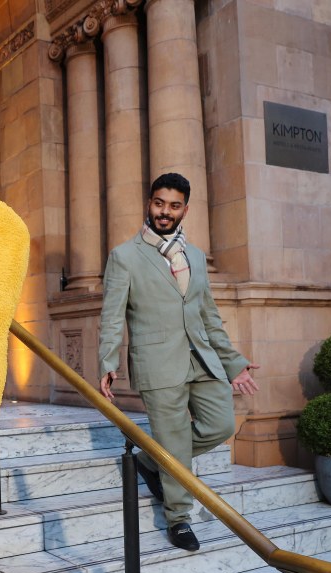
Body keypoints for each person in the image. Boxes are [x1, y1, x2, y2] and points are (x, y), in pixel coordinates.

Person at [98, 172, 259, 552]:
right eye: (159, 203)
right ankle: (179, 518)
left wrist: (233, 361)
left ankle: (152, 461)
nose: (164, 212)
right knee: (170, 437)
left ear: (185, 209)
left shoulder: (196, 257)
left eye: (173, 206)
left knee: (220, 424)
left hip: (201, 359)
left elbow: (208, 315)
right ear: (149, 204)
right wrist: (107, 360)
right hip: (157, 363)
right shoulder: (125, 256)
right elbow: (111, 315)